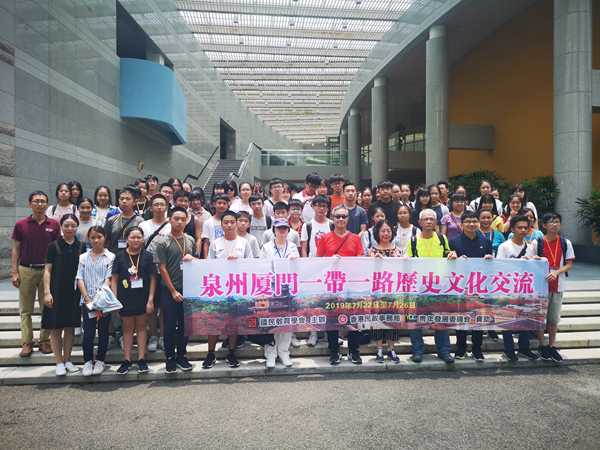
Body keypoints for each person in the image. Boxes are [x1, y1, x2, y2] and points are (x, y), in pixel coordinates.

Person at [12, 190, 61, 356]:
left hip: (47, 272)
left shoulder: (54, 225)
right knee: (25, 310)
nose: (39, 204)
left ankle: (45, 341)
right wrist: (14, 272)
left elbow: (57, 250)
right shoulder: (21, 224)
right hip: (26, 270)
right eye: (36, 201)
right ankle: (27, 343)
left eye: (42, 201)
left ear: (47, 204)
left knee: (47, 307)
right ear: (29, 204)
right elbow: (16, 249)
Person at [404, 209, 456, 364]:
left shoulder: (442, 238)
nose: (428, 222)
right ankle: (417, 350)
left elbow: (448, 254)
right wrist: (405, 258)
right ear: (419, 222)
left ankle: (444, 350)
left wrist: (452, 254)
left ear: (436, 222)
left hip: (439, 284)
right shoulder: (413, 240)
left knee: (440, 318)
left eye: (431, 219)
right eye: (425, 219)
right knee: (415, 319)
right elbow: (409, 260)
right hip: (419, 285)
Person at [202, 210, 252, 369]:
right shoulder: (215, 244)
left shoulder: (244, 243)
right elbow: (209, 266)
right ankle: (211, 353)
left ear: (237, 224)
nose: (229, 225)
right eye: (226, 222)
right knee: (214, 321)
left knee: (233, 322)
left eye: (232, 222)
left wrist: (240, 260)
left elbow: (252, 265)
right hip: (218, 288)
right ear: (221, 225)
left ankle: (231, 352)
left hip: (237, 287)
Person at [316, 205, 365, 365]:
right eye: (338, 216)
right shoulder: (325, 238)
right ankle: (334, 350)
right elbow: (318, 261)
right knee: (332, 318)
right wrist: (330, 261)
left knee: (353, 317)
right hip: (333, 284)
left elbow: (360, 261)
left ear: (348, 219)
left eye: (344, 216)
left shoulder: (355, 238)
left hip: (351, 284)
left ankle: (353, 350)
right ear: (333, 219)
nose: (341, 219)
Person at [155, 207, 200, 373]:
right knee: (168, 326)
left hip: (188, 289)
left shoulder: (190, 240)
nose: (180, 222)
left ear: (187, 221)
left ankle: (182, 356)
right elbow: (162, 268)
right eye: (176, 219)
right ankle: (169, 358)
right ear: (169, 220)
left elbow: (197, 260)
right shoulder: (164, 242)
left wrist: (193, 258)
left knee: (185, 326)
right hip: (169, 290)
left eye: (183, 219)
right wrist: (173, 291)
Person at [448, 211, 494, 362]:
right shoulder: (454, 241)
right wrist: (455, 259)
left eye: (474, 221)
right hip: (460, 285)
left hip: (480, 285)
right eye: (468, 221)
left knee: (478, 317)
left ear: (478, 223)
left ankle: (477, 349)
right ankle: (461, 348)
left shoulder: (485, 241)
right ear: (462, 224)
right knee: (461, 317)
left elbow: (490, 265)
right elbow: (448, 264)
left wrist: (489, 258)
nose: (471, 224)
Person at [111, 226, 156, 374]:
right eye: (132, 237)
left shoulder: (147, 256)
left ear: (143, 239)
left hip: (142, 298)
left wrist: (150, 300)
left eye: (139, 237)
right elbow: (114, 280)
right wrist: (114, 301)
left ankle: (141, 359)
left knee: (142, 327)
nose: (136, 240)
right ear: (126, 239)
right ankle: (127, 360)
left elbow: (153, 279)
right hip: (124, 299)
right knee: (127, 328)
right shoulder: (119, 256)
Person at [531, 212, 574, 362]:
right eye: (550, 222)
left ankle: (552, 345)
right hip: (540, 285)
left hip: (557, 285)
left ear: (561, 225)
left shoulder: (565, 242)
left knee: (553, 318)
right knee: (540, 316)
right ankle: (542, 345)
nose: (554, 224)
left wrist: (556, 272)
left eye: (557, 222)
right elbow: (529, 262)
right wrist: (536, 259)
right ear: (544, 225)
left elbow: (569, 264)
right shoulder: (537, 243)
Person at [42, 214, 82, 375]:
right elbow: (47, 270)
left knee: (70, 327)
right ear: (61, 227)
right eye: (66, 225)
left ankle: (68, 360)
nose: (70, 229)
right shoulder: (54, 246)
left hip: (74, 292)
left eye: (73, 226)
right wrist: (47, 292)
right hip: (56, 291)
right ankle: (59, 362)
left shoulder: (81, 246)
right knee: (56, 328)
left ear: (77, 227)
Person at [496, 215, 540, 361]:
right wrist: (517, 262)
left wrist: (537, 260)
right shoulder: (504, 246)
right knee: (507, 318)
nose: (523, 230)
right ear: (512, 229)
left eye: (526, 228)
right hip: (508, 288)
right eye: (519, 227)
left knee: (526, 318)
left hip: (526, 288)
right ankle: (509, 349)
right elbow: (499, 267)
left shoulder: (531, 247)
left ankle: (524, 348)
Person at [260, 218, 299, 368]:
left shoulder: (293, 246)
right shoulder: (267, 247)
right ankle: (270, 354)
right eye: (279, 228)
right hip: (271, 288)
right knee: (271, 321)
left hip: (287, 288)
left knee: (285, 321)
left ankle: (283, 353)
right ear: (274, 230)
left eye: (284, 228)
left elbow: (298, 267)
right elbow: (262, 267)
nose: (282, 230)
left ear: (288, 230)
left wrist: (295, 261)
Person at [77, 225, 115, 376]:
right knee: (88, 333)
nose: (96, 240)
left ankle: (100, 360)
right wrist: (87, 299)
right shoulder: (83, 257)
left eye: (99, 237)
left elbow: (108, 278)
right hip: (87, 303)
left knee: (104, 331)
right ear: (88, 239)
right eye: (93, 237)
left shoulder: (110, 257)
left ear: (105, 237)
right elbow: (80, 278)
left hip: (103, 302)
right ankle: (87, 361)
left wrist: (99, 300)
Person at [299, 194, 334, 348]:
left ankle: (328, 333)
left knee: (328, 302)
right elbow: (304, 248)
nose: (321, 208)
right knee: (313, 302)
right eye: (318, 205)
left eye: (324, 206)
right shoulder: (307, 225)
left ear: (327, 208)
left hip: (330, 269)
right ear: (312, 206)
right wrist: (306, 266)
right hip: (313, 268)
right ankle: (313, 332)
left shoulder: (332, 224)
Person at [367, 219, 402, 364]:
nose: (386, 233)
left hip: (393, 291)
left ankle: (391, 348)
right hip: (378, 292)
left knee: (393, 319)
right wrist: (374, 261)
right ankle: (379, 348)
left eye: (388, 230)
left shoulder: (397, 251)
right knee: (378, 319)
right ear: (377, 232)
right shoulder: (372, 251)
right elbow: (368, 271)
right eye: (383, 230)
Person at [140, 194, 171, 353]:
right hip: (148, 271)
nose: (159, 207)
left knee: (164, 306)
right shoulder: (143, 225)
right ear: (150, 208)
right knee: (151, 307)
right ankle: (153, 336)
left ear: (167, 207)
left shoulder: (171, 225)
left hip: (167, 271)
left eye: (162, 204)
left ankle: (163, 337)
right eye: (156, 204)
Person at [104, 186, 145, 254]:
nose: (124, 201)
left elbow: (143, 243)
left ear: (135, 202)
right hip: (114, 256)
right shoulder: (111, 220)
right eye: (121, 199)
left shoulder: (140, 221)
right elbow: (106, 241)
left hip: (133, 257)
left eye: (128, 199)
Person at [173, 190, 203, 256]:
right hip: (174, 253)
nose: (183, 203)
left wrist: (196, 256)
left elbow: (198, 239)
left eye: (186, 201)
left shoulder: (195, 219)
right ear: (174, 202)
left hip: (190, 254)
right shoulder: (169, 219)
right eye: (180, 201)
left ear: (189, 204)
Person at [202, 193, 228, 258]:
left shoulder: (232, 222)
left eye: (224, 203)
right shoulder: (208, 222)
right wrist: (206, 259)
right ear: (214, 204)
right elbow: (206, 243)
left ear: (227, 205)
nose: (222, 205)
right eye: (219, 203)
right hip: (213, 255)